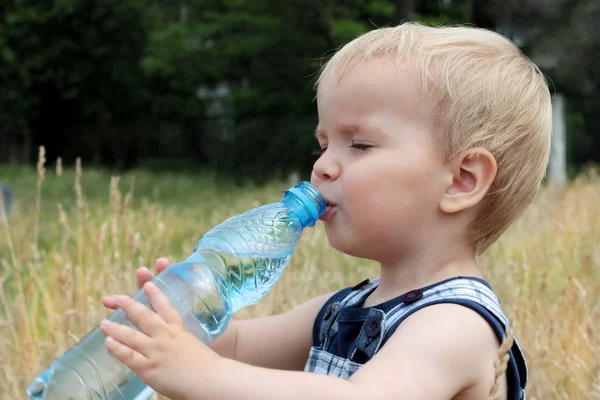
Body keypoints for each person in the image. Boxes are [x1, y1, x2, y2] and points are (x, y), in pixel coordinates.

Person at [101, 22, 551, 400]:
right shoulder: (343, 309)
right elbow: (236, 350)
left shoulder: (457, 324)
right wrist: (181, 326)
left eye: (359, 144)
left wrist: (199, 372)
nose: (322, 166)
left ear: (461, 180)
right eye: (323, 145)